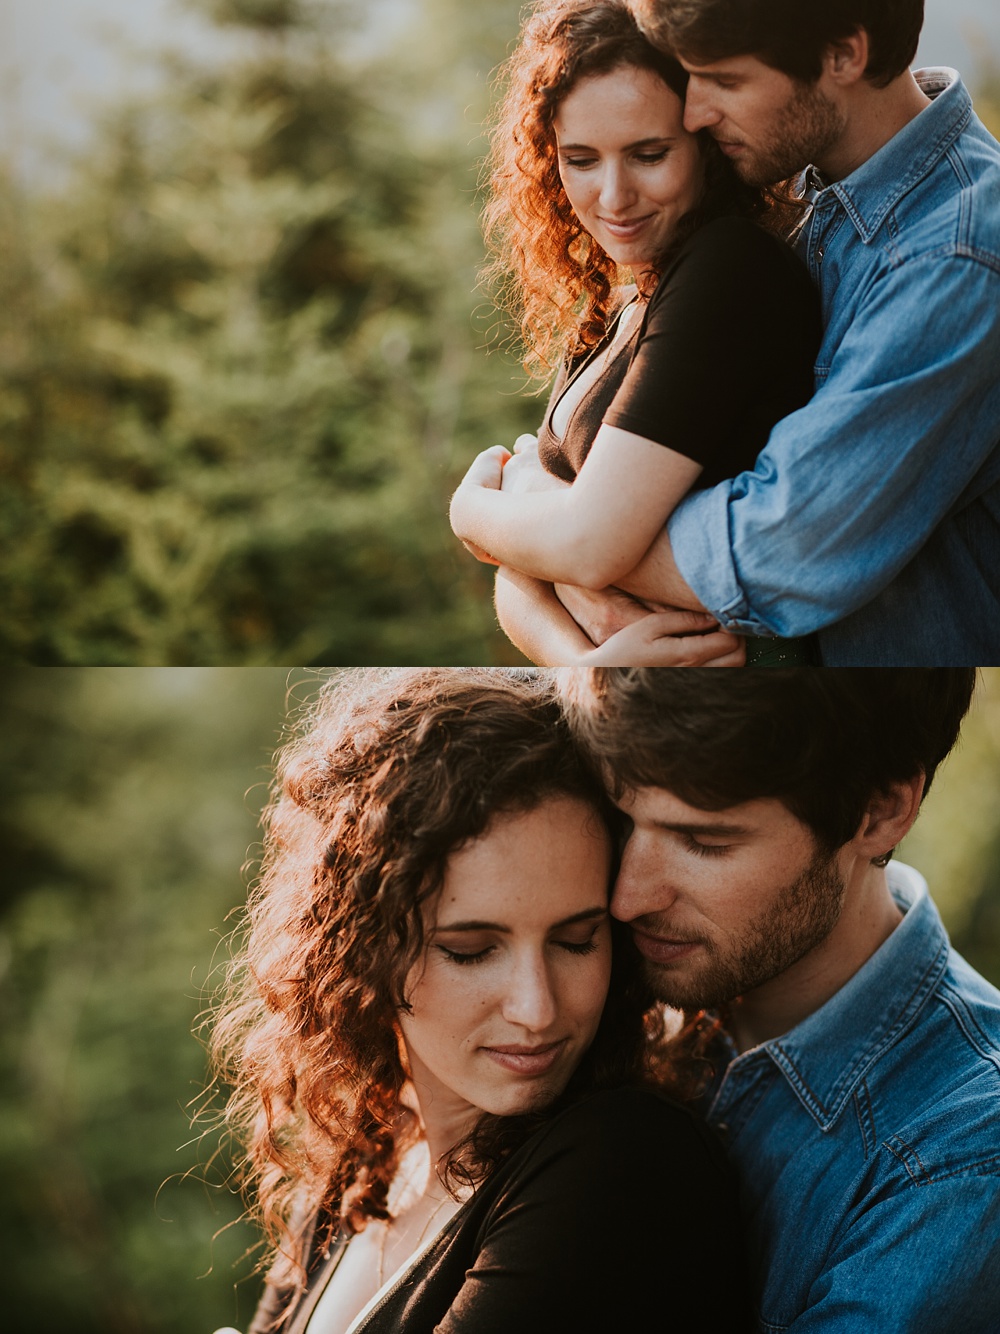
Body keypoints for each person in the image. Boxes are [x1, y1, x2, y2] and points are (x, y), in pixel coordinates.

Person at [211, 668, 750, 1334]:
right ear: (362, 949)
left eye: (578, 940)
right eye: (470, 951)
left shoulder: (621, 1164)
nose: (538, 1009)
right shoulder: (359, 1176)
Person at [537, 0, 1000, 666]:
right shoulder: (797, 191)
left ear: (844, 55)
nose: (693, 113)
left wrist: (552, 519)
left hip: (851, 720)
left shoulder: (956, 256)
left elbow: (776, 552)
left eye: (724, 81)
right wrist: (567, 549)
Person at [558, 666, 1000, 1330]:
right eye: (620, 822)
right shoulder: (582, 968)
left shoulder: (962, 1158)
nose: (627, 897)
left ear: (880, 811)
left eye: (703, 842)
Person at [448, 0, 822, 667]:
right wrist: (585, 669)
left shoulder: (730, 271)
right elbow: (520, 576)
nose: (614, 197)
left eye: (649, 155)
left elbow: (586, 546)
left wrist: (474, 511)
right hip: (623, 698)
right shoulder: (621, 297)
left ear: (707, 146)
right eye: (581, 160)